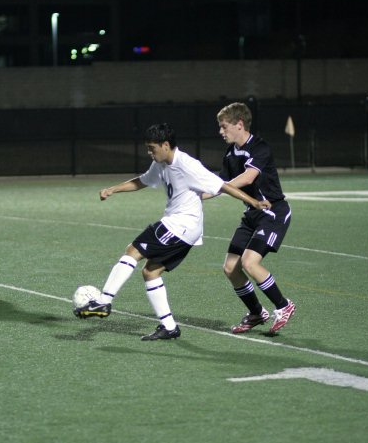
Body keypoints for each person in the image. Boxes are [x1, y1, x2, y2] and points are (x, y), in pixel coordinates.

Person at [74, 122, 270, 341]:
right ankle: (169, 327)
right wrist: (113, 189)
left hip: (180, 225)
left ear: (165, 145)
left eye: (152, 148)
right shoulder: (160, 164)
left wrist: (253, 201)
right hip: (182, 228)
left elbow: (222, 185)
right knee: (150, 272)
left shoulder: (187, 165)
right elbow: (142, 181)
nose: (149, 152)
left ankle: (104, 302)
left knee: (133, 251)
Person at [214, 102, 295, 335]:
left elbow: (248, 178)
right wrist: (196, 193)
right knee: (230, 268)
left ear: (239, 124)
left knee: (250, 263)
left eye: (224, 126)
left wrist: (216, 187)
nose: (221, 132)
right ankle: (257, 312)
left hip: (272, 212)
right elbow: (220, 185)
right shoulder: (230, 154)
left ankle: (284, 305)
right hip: (251, 214)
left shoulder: (259, 147)